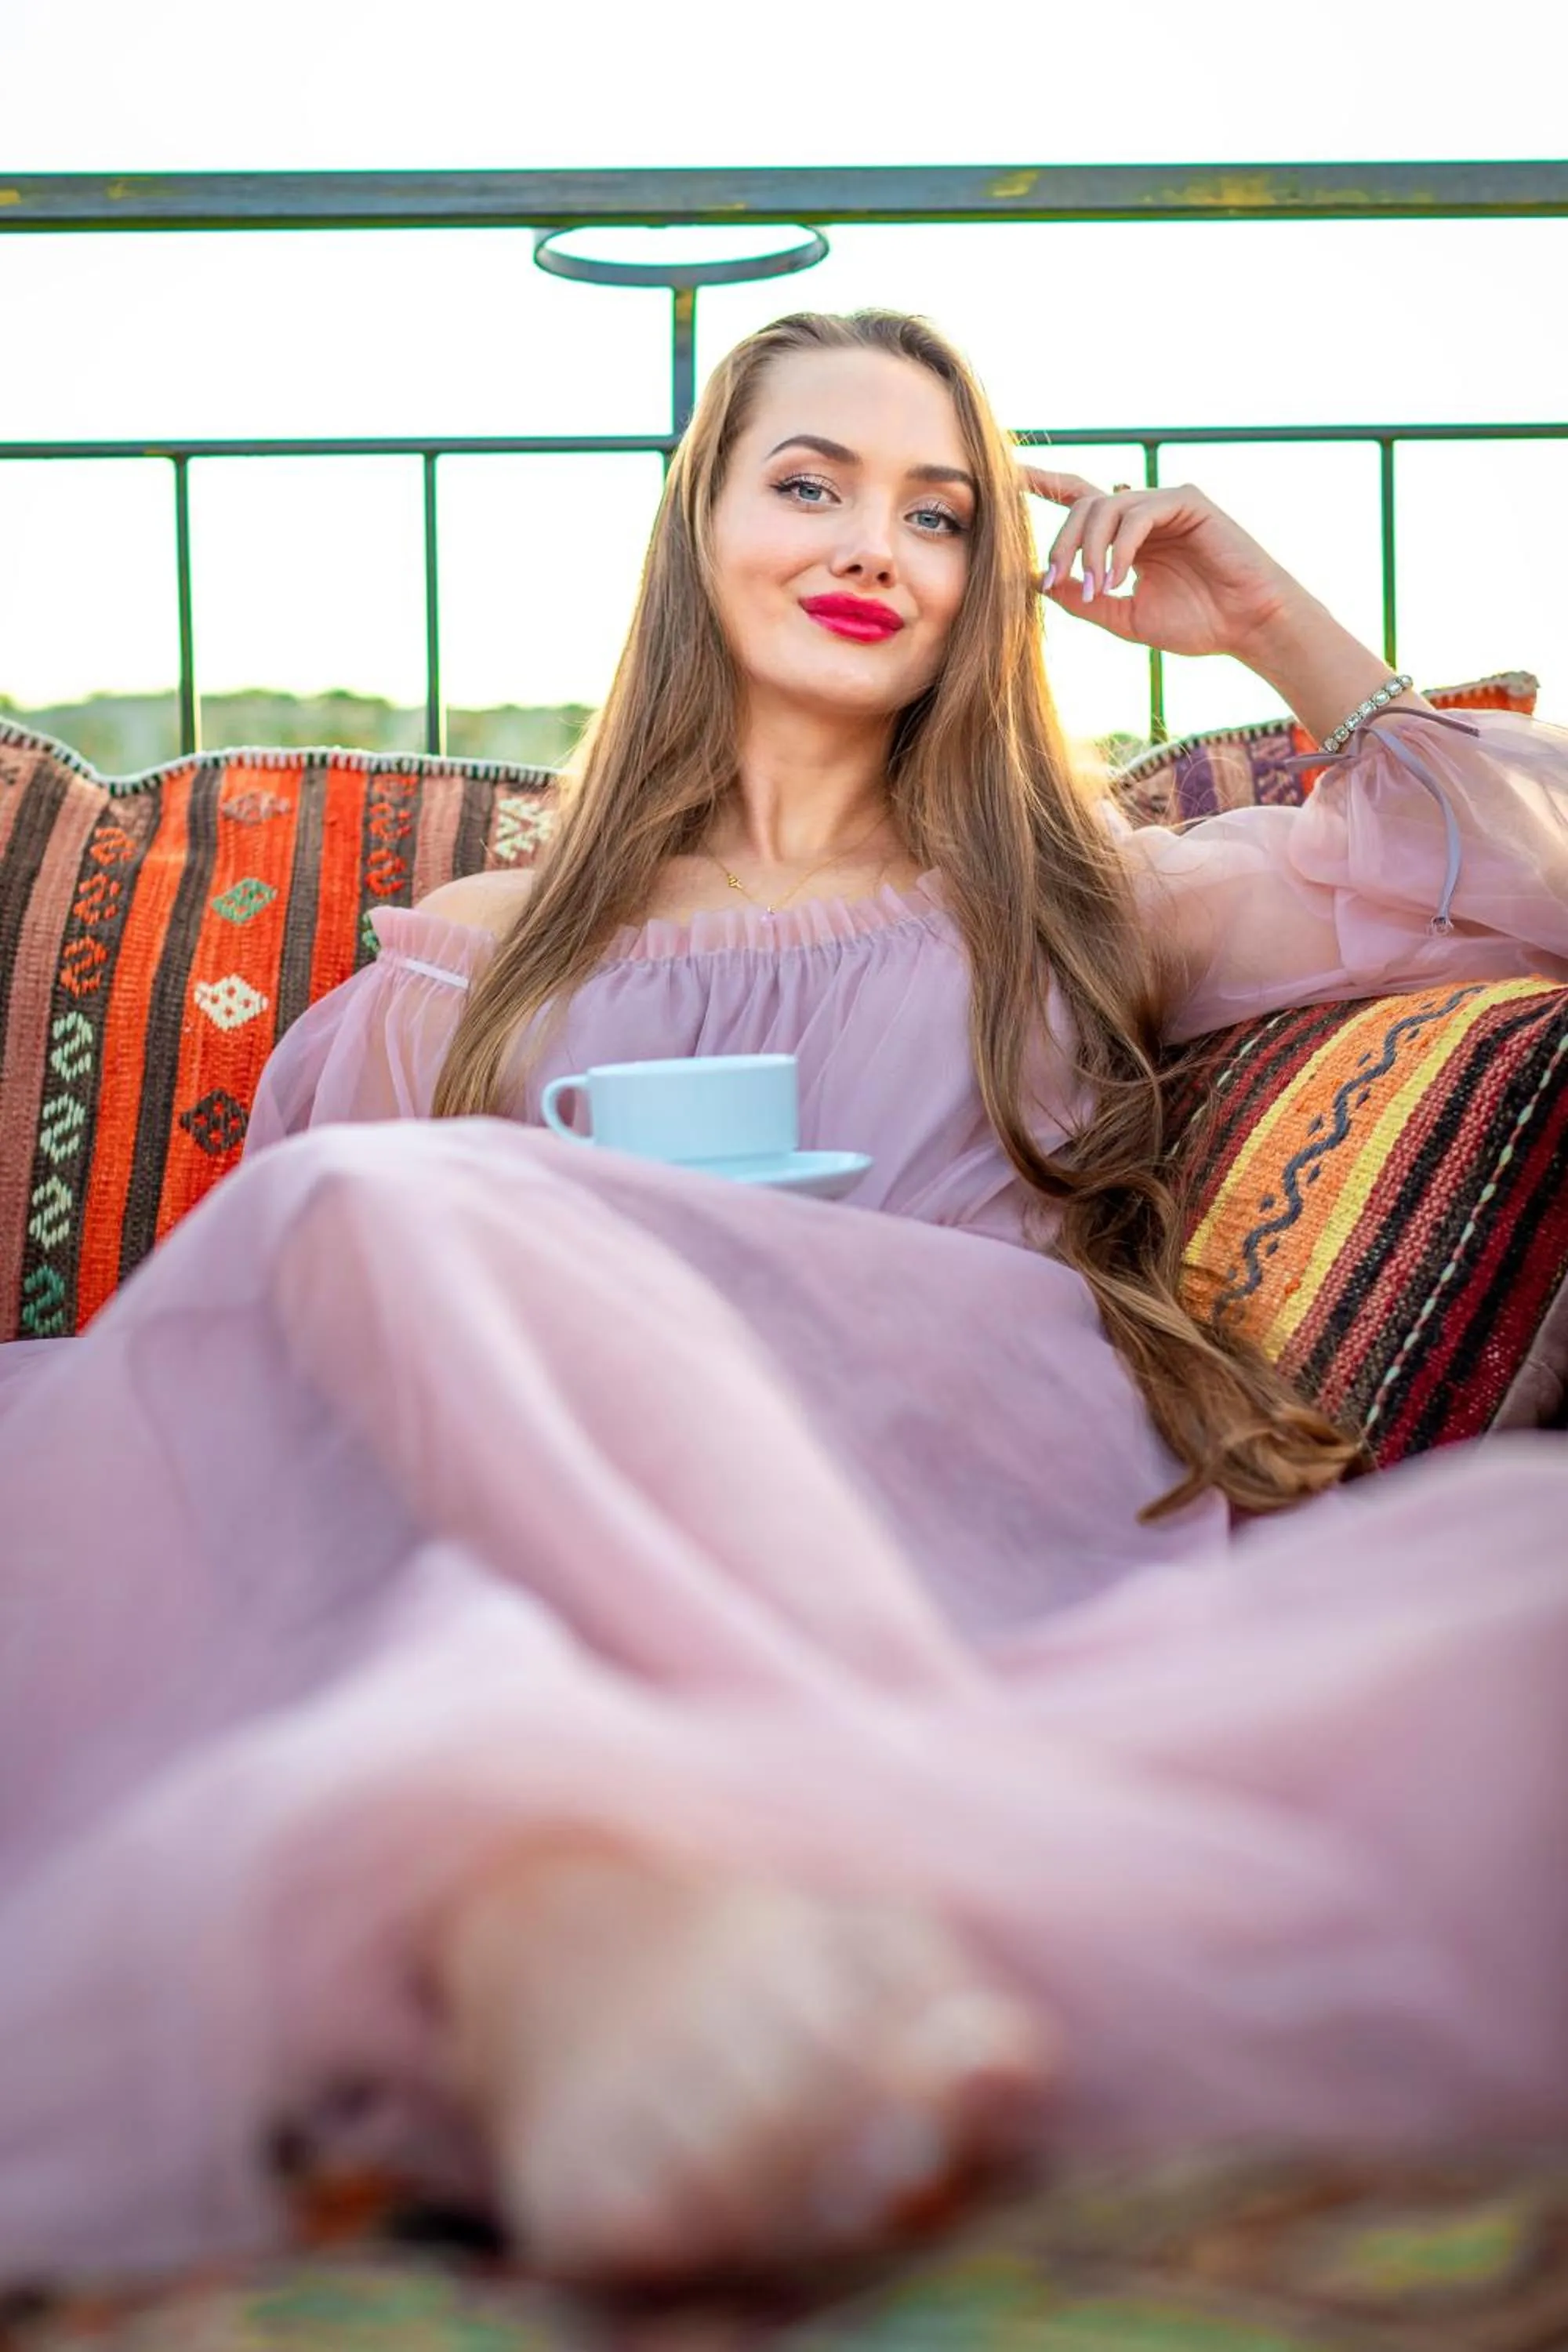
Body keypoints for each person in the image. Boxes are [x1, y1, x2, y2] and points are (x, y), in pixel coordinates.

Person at [2, 307, 1567, 2296]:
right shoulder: (475, 953)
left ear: (984, 585)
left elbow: (1538, 886)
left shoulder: (1093, 890)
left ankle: (572, 1908)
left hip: (948, 1472)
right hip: (559, 1476)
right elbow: (314, 1382)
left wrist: (1265, 620)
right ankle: (572, 1912)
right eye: (809, 484)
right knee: (371, 1219)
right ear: (699, 529)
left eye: (939, 513)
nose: (870, 547)